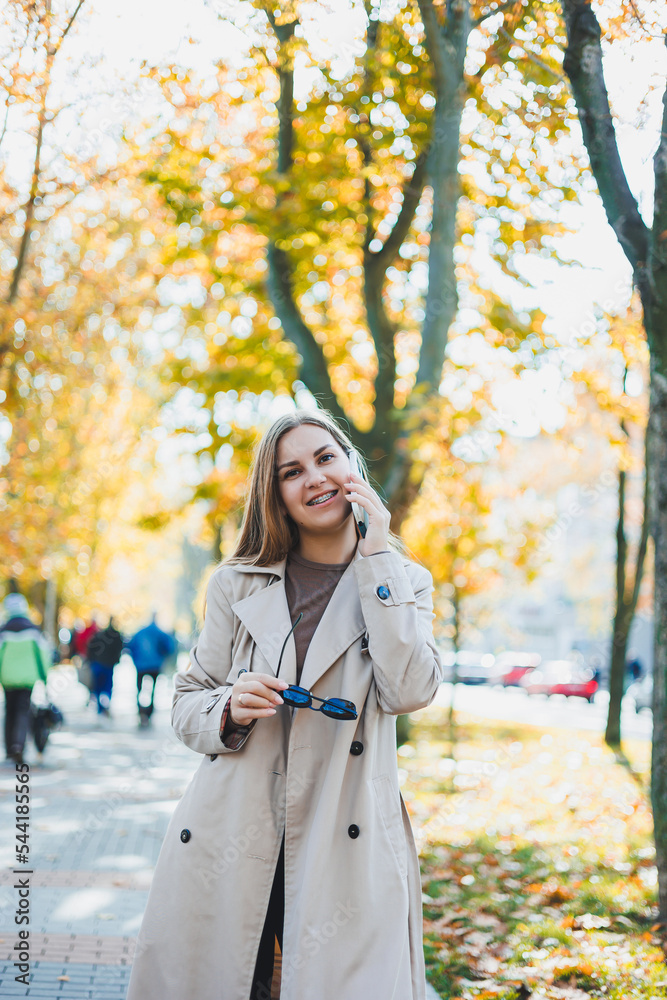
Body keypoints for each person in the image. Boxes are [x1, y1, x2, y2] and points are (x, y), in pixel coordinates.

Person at [127, 410, 443, 1000]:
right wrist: (228, 707)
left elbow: (410, 691)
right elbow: (186, 703)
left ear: (350, 465)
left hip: (344, 832)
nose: (314, 478)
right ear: (274, 495)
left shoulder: (404, 581)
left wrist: (378, 555)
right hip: (234, 830)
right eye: (290, 472)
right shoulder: (236, 583)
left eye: (325, 458)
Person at [0, 593, 51, 764]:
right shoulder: (34, 631)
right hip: (27, 679)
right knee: (23, 710)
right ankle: (18, 745)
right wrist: (45, 676)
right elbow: (43, 656)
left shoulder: (3, 631)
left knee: (9, 710)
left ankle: (9, 749)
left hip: (7, 678)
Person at [127, 614, 176, 725]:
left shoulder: (140, 632)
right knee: (153, 690)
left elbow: (130, 646)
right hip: (155, 665)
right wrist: (162, 657)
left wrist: (135, 660)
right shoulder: (160, 633)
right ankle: (149, 712)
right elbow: (169, 648)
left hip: (140, 665)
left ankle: (140, 711)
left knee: (139, 689)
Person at [86, 616, 124, 716]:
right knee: (107, 686)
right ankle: (104, 705)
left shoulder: (100, 634)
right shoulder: (116, 636)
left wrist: (91, 660)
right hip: (108, 665)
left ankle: (101, 707)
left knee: (99, 686)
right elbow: (119, 650)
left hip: (99, 664)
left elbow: (91, 647)